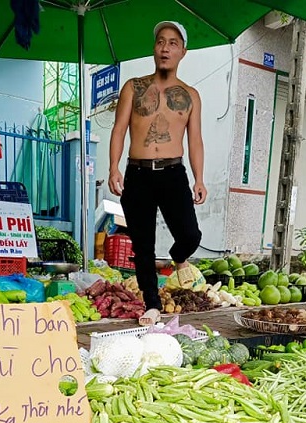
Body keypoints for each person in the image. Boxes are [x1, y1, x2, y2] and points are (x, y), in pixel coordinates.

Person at [108, 21, 207, 325]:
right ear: (154, 48)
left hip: (173, 173)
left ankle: (179, 257)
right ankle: (152, 304)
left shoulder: (190, 96)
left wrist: (199, 178)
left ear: (183, 52)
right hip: (137, 174)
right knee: (142, 244)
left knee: (191, 235)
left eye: (173, 43)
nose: (165, 48)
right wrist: (113, 167)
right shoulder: (133, 87)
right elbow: (119, 129)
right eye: (161, 42)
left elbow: (195, 140)